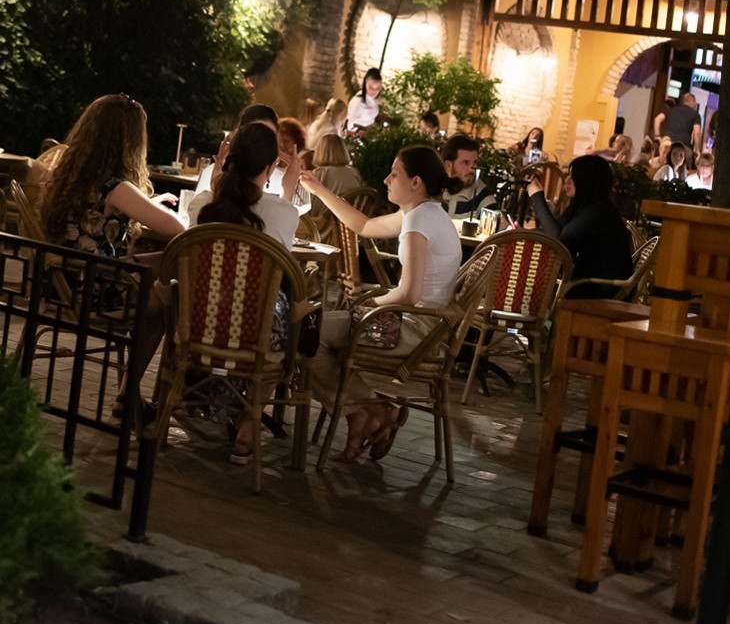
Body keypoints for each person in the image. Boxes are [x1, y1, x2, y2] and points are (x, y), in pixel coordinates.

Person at [301, 146, 460, 462]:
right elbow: (363, 226)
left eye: (394, 174)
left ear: (415, 182)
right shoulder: (425, 213)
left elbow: (409, 294)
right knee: (318, 331)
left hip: (414, 331)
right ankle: (365, 416)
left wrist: (370, 303)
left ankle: (372, 411)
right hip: (426, 327)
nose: (386, 180)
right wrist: (318, 189)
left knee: (307, 334)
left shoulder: (419, 221)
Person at [39, 94, 187, 411]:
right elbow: (178, 229)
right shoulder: (116, 187)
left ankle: (129, 394)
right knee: (167, 298)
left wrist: (145, 205)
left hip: (59, 280)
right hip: (92, 290)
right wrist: (148, 207)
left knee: (168, 264)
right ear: (129, 141)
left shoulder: (69, 173)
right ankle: (129, 395)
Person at [185, 123, 300, 465]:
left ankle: (213, 398)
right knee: (283, 310)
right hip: (254, 334)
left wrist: (215, 176)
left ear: (228, 159)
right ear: (270, 167)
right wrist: (288, 189)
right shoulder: (284, 213)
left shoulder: (203, 205)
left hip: (200, 324)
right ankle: (249, 423)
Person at [528, 155, 633, 295]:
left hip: (600, 290)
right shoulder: (583, 206)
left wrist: (537, 197)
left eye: (573, 176)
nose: (567, 181)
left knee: (532, 287)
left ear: (587, 180)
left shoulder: (600, 211)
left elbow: (558, 241)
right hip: (583, 283)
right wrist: (521, 233)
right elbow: (555, 230)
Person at [440, 134, 492, 216]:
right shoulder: (435, 190)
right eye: (465, 163)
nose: (472, 169)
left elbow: (499, 221)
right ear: (448, 166)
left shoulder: (480, 192)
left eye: (474, 162)